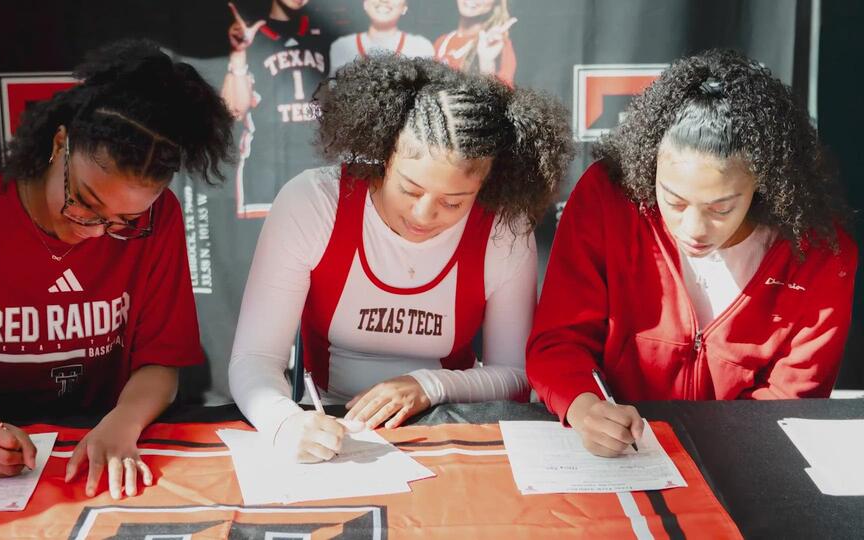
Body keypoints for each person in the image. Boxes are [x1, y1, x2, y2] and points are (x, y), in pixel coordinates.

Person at [0, 40, 233, 498]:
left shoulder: (161, 219)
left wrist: (124, 421)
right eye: (84, 202)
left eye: (125, 221)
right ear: (61, 144)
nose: (96, 232)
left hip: (100, 445)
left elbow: (160, 363)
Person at [229, 55, 572, 463]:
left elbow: (515, 376)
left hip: (452, 429)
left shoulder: (503, 229)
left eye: (453, 202)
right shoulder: (314, 204)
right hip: (329, 425)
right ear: (385, 155)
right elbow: (255, 359)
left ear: (485, 186)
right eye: (410, 190)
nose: (424, 215)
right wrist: (283, 422)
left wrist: (428, 386)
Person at [526, 49, 858, 457]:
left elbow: (794, 396)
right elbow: (558, 340)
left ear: (763, 183)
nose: (694, 229)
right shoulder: (606, 199)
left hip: (746, 458)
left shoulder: (819, 254)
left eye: (721, 208)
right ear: (649, 167)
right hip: (622, 456)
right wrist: (583, 406)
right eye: (674, 201)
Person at [221, 0, 331, 217]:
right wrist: (239, 54)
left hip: (322, 171)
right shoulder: (250, 36)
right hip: (267, 172)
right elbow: (233, 110)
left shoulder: (328, 35)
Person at [329, 0, 435, 75]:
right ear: (365, 3)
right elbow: (332, 93)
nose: (384, 0)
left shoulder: (421, 47)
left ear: (404, 8)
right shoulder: (342, 46)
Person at [434, 0, 517, 85]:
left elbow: (500, 92)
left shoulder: (497, 45)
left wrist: (486, 62)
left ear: (496, 2)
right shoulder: (442, 42)